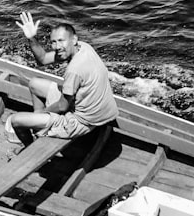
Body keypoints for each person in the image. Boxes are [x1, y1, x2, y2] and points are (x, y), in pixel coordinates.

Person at [7, 11, 118, 146]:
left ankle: (29, 144)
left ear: (73, 39)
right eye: (53, 42)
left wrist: (43, 113)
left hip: (80, 122)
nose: (57, 47)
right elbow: (43, 59)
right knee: (34, 83)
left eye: (61, 41)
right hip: (100, 112)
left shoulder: (74, 70)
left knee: (15, 120)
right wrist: (31, 38)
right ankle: (40, 127)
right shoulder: (83, 47)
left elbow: (62, 106)